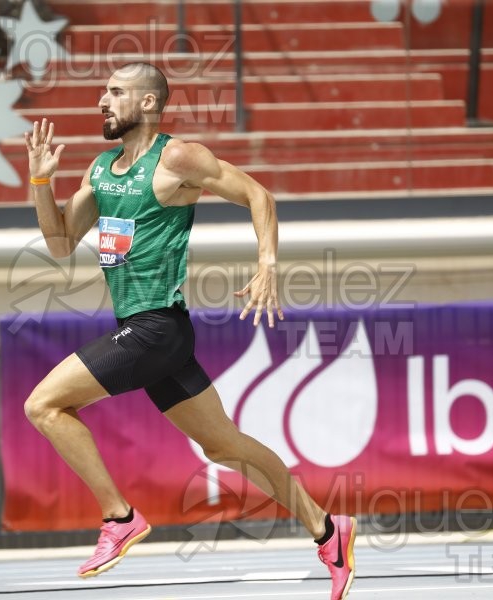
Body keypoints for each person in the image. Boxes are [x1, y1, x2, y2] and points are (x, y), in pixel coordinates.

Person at [22, 62, 357, 600]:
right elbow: (60, 241)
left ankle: (119, 515)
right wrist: (40, 179)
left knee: (43, 406)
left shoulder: (177, 157)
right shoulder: (102, 169)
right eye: (102, 93)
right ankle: (327, 529)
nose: (101, 102)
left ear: (149, 104)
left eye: (115, 92)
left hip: (157, 329)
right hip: (150, 332)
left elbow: (258, 195)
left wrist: (267, 264)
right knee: (227, 447)